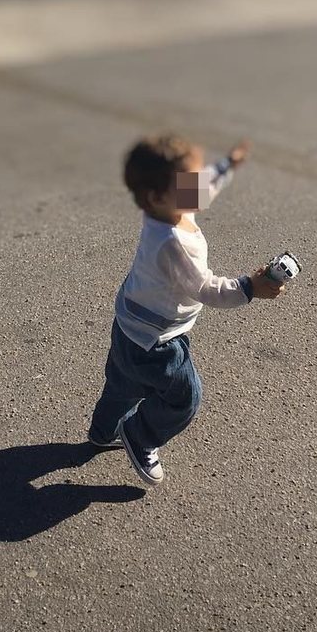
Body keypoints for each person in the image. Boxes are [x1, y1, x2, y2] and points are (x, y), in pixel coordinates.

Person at [87, 132, 286, 486]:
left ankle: (103, 431)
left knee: (123, 384)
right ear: (157, 195)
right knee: (184, 399)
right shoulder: (173, 244)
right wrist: (249, 287)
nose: (198, 186)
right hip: (158, 342)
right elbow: (205, 288)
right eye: (188, 182)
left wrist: (227, 165)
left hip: (130, 324)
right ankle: (140, 435)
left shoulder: (164, 210)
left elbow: (204, 188)